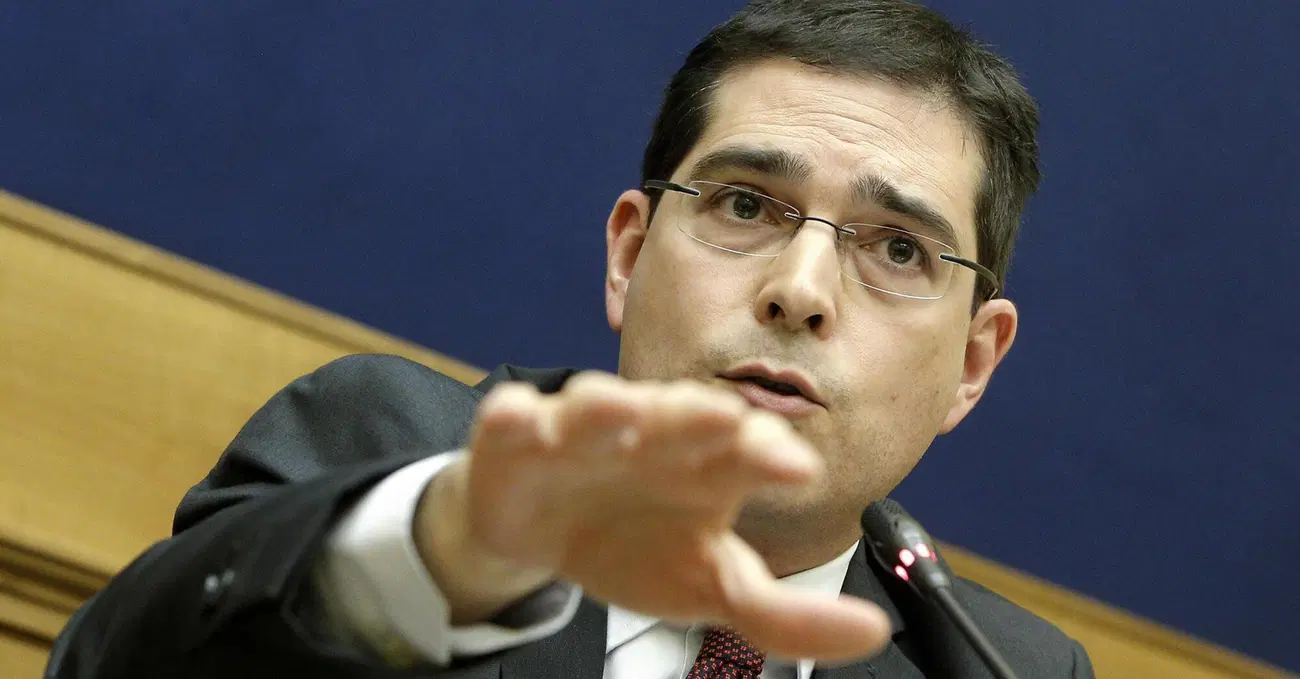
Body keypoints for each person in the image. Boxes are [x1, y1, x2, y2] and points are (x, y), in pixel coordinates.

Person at [46, 0, 1095, 677]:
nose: (800, 290)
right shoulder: (394, 456)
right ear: (629, 255)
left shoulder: (994, 666)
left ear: (972, 364)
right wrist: (434, 561)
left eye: (899, 249)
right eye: (744, 204)